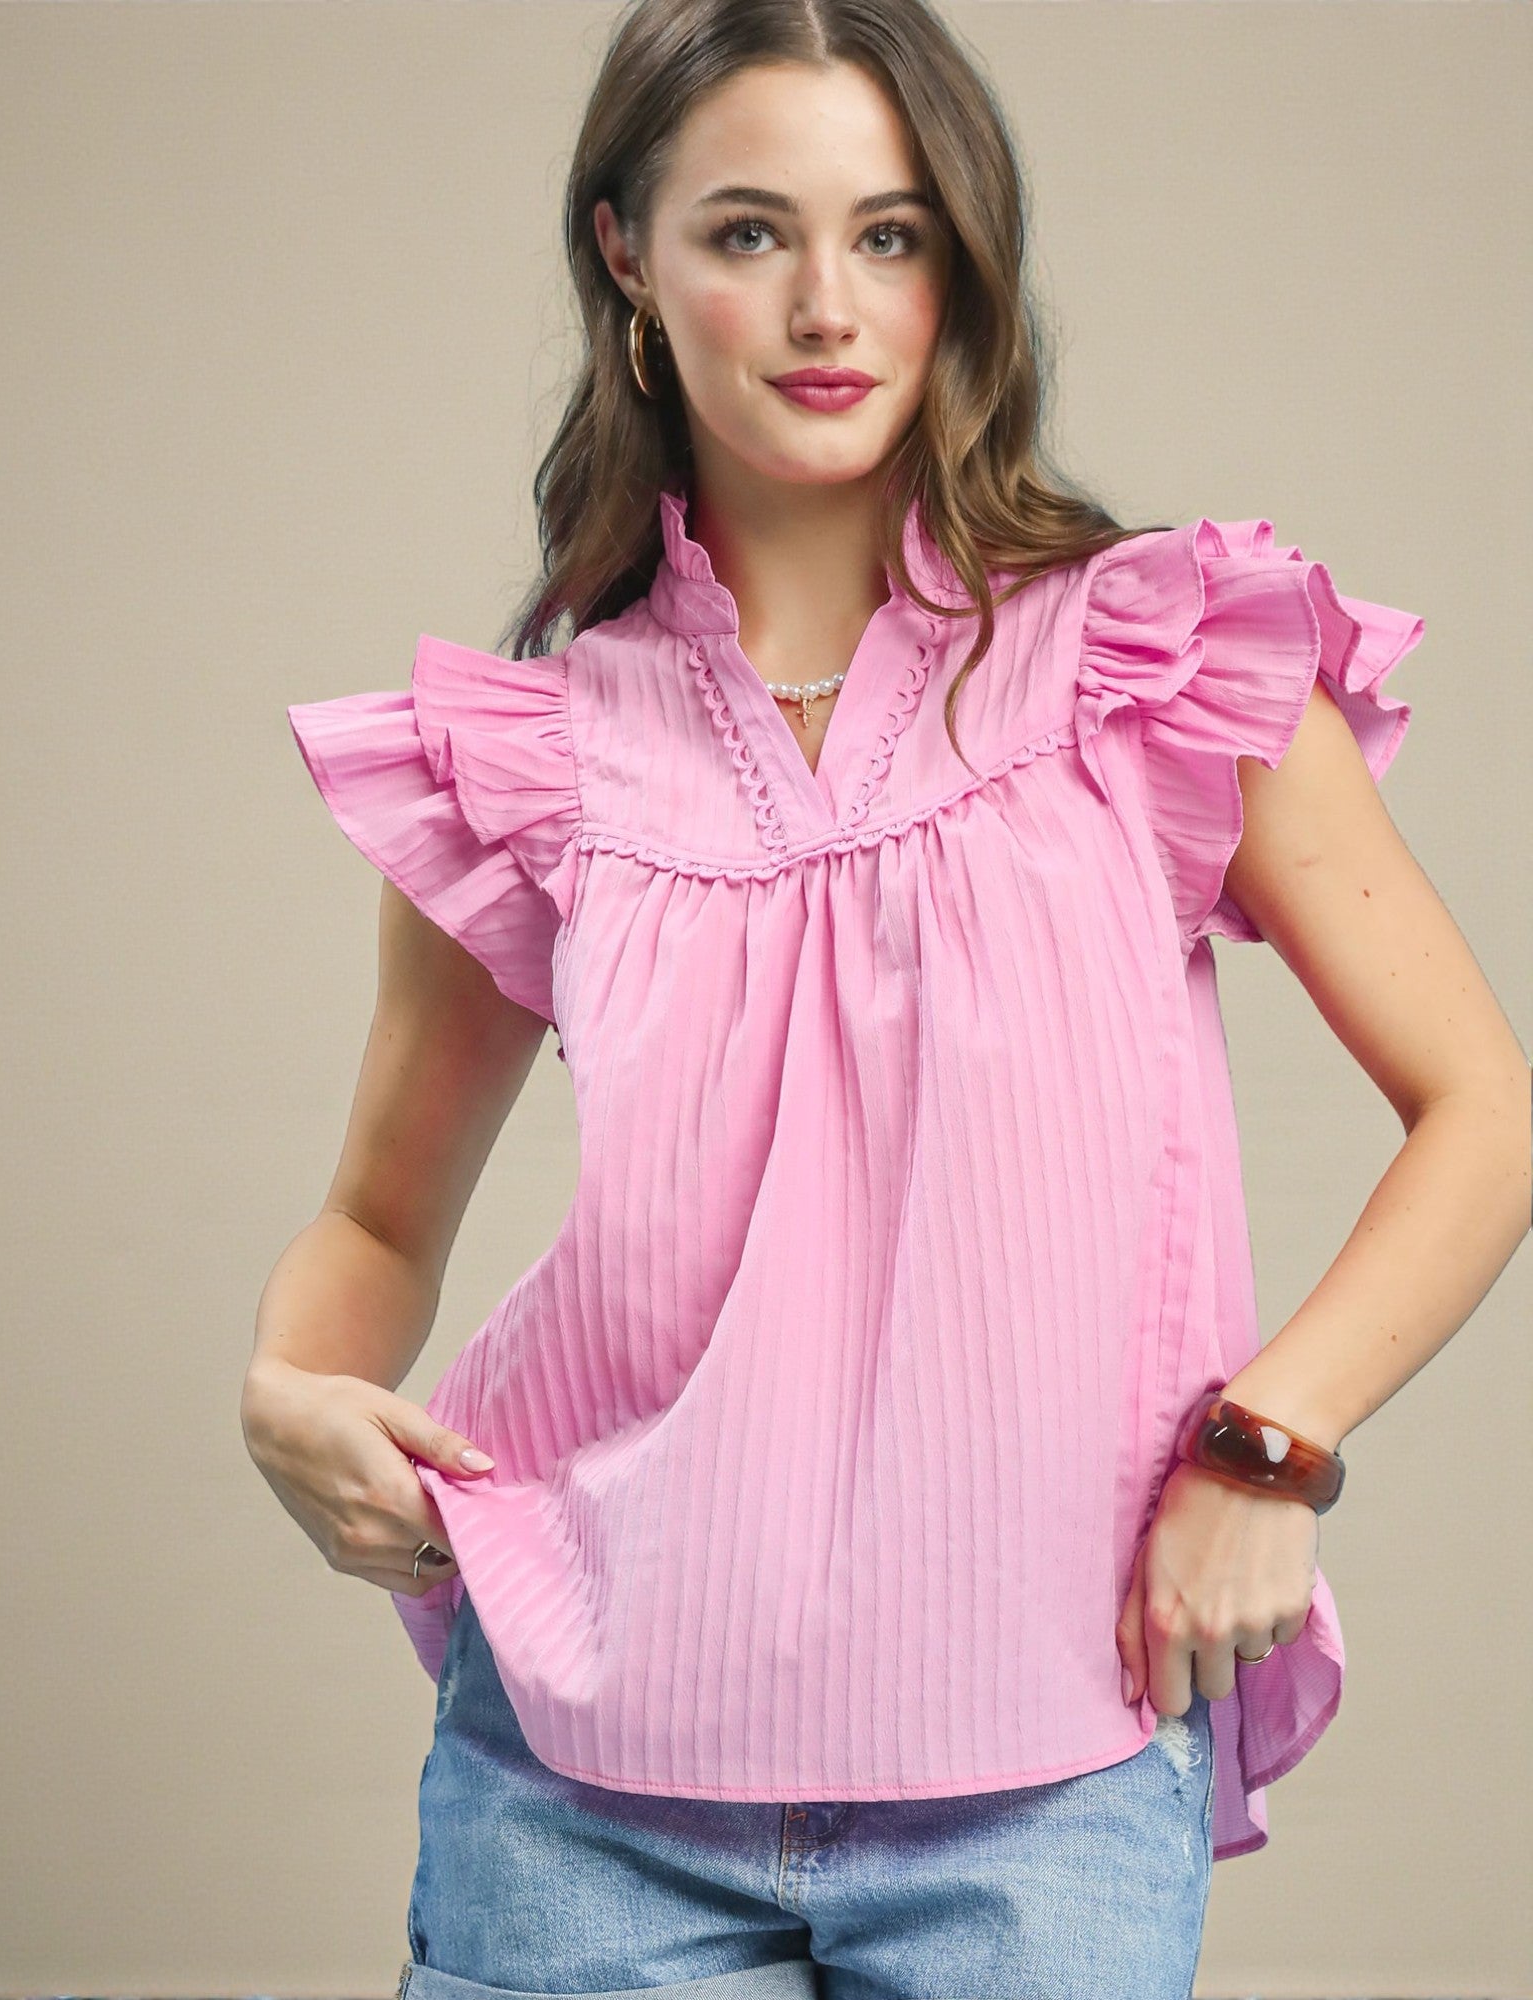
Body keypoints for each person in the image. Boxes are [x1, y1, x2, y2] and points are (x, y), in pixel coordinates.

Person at [241, 3, 1531, 1996]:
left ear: (961, 269)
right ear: (626, 259)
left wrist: (1267, 1443)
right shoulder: (534, 750)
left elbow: (1482, 1105)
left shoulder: (1153, 661)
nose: (826, 305)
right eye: (748, 232)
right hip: (582, 1775)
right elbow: (378, 1220)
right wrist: (294, 1391)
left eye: (891, 234)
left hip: (1040, 1777)